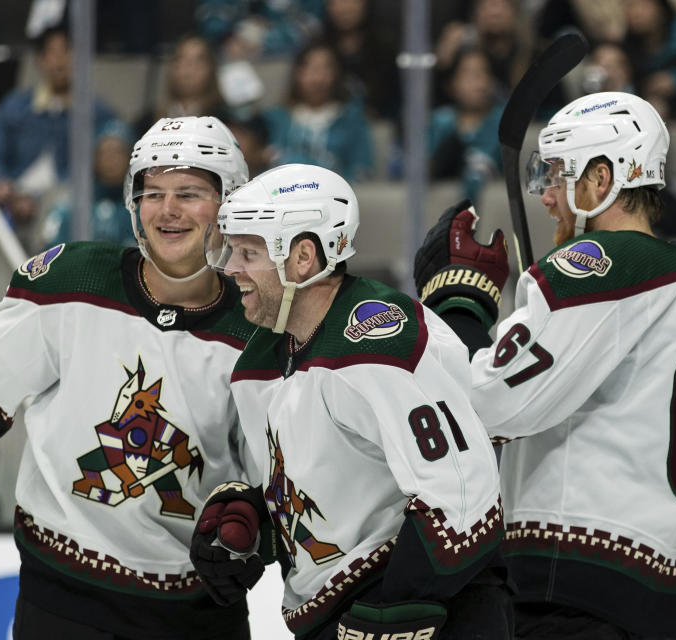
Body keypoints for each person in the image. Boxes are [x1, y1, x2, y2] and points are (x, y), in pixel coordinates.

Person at [0, 116, 261, 639]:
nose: (168, 209)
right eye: (152, 192)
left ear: (230, 205)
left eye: (190, 192)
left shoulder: (259, 326)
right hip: (64, 604)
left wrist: (254, 528)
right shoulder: (74, 282)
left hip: (197, 615)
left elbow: (275, 467)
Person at [413, 91, 676, 638]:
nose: (547, 195)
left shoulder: (598, 267)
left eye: (558, 175)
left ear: (601, 180)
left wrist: (457, 303)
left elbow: (485, 406)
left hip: (576, 604)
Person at [191, 164, 513, 640]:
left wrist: (397, 607)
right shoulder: (260, 361)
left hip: (432, 614)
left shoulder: (375, 336)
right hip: (334, 616)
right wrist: (255, 517)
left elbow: (464, 494)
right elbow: (327, 490)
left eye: (248, 252)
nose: (230, 268)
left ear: (303, 257)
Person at [0, 24, 118, 236]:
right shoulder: (15, 106)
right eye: (52, 53)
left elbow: (103, 164)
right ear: (40, 60)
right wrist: (0, 183)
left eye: (66, 52)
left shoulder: (97, 113)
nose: (60, 61)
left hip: (67, 208)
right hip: (14, 201)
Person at [263, 42, 374, 182]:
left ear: (336, 74)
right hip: (279, 197)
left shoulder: (351, 120)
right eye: (311, 69)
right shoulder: (275, 118)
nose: (318, 79)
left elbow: (362, 168)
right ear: (297, 74)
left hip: (333, 196)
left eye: (325, 69)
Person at [38, 119, 136, 249]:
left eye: (118, 152)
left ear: (131, 157)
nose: (111, 160)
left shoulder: (142, 209)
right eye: (104, 153)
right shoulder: (68, 209)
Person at [429, 46, 506, 206]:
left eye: (484, 72)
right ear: (453, 83)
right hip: (438, 213)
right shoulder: (439, 121)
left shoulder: (504, 123)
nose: (479, 80)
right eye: (469, 73)